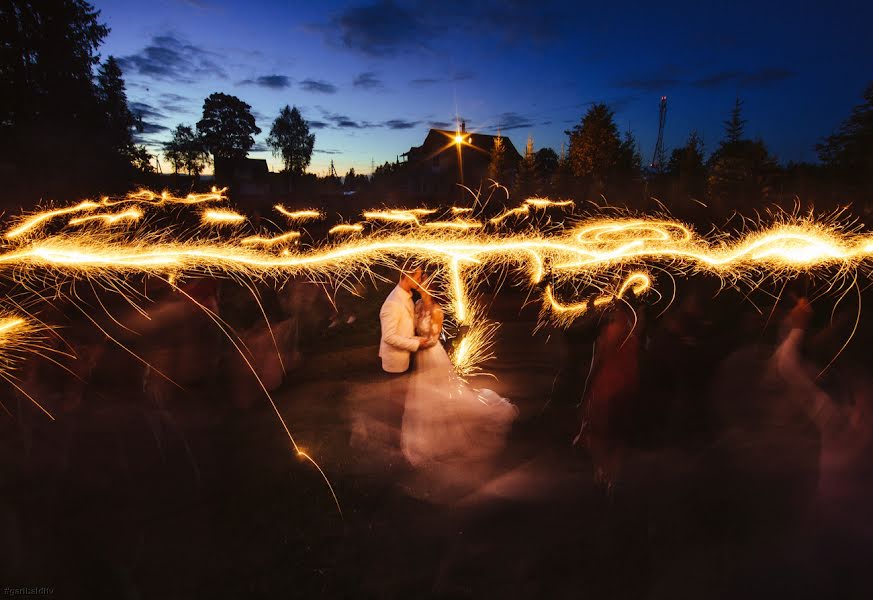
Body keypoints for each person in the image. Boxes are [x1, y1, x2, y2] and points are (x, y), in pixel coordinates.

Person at [399, 271, 517, 499]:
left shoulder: (436, 311)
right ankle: (428, 435)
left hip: (432, 354)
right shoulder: (416, 307)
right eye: (421, 286)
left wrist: (415, 342)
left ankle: (449, 431)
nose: (422, 289)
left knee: (440, 393)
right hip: (420, 356)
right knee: (422, 396)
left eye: (425, 287)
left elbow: (433, 338)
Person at [377, 265, 435, 445]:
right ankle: (392, 442)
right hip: (395, 361)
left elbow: (404, 328)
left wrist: (415, 338)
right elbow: (389, 337)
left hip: (404, 357)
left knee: (400, 403)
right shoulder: (393, 303)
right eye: (417, 276)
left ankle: (397, 436)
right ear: (406, 276)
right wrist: (415, 343)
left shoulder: (406, 297)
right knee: (395, 406)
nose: (419, 280)